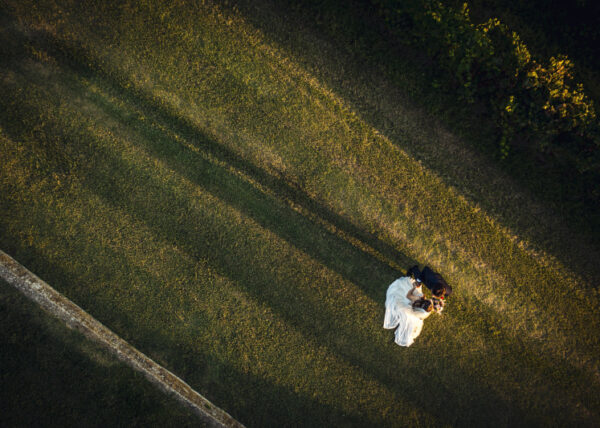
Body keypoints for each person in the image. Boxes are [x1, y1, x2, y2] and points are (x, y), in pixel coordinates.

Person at [383, 275, 433, 347]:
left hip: (406, 309)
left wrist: (413, 288)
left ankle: (399, 317)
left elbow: (408, 296)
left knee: (399, 292)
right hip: (412, 315)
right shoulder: (424, 313)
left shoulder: (417, 299)